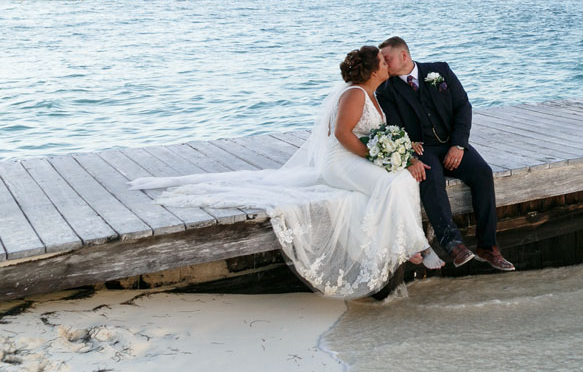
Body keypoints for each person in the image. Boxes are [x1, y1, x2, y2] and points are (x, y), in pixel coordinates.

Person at [131, 46, 442, 298]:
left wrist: (394, 151)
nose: (389, 66)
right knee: (390, 184)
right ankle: (418, 246)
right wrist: (375, 156)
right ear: (375, 70)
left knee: (402, 178)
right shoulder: (354, 94)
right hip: (341, 162)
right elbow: (342, 134)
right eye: (383, 63)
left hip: (360, 159)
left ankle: (405, 244)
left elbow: (372, 134)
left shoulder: (373, 94)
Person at [377, 36, 516, 272]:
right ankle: (453, 244)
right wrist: (410, 152)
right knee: (430, 177)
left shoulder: (439, 70)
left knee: (483, 173)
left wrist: (459, 144)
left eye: (387, 59)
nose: (383, 64)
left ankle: (488, 247)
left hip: (452, 143)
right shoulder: (386, 90)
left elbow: (463, 106)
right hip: (422, 148)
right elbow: (393, 127)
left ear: (403, 56)